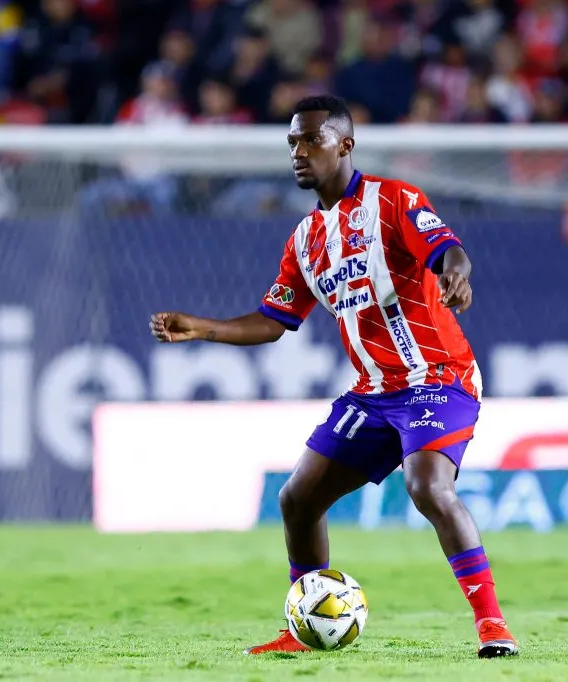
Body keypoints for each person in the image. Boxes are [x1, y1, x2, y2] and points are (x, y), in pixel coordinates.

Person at [149, 95, 518, 658]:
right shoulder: (305, 239)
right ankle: (302, 627)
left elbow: (449, 251)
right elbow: (273, 321)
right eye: (292, 142)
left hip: (438, 378)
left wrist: (456, 275)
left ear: (345, 145)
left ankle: (493, 626)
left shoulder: (394, 200)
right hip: (374, 393)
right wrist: (202, 327)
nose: (298, 152)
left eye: (311, 139)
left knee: (427, 487)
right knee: (297, 499)